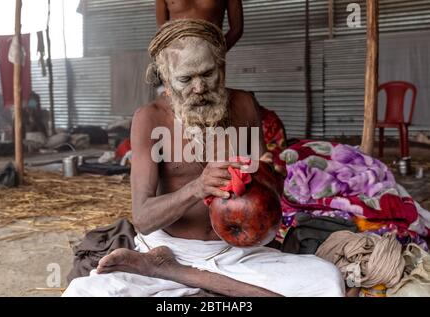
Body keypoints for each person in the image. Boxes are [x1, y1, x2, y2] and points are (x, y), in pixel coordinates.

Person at [63, 19, 345, 297]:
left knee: (326, 281)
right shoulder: (149, 118)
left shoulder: (244, 104)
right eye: (186, 79)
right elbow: (143, 219)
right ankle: (167, 265)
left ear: (221, 67)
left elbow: (270, 183)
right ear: (167, 79)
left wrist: (262, 174)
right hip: (169, 246)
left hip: (238, 253)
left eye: (207, 74)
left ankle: (174, 272)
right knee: (84, 293)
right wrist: (197, 188)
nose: (199, 88)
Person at [156, 0, 243, 51]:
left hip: (211, 58)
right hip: (177, 58)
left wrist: (217, 52)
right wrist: (172, 53)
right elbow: (162, 29)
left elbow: (237, 29)